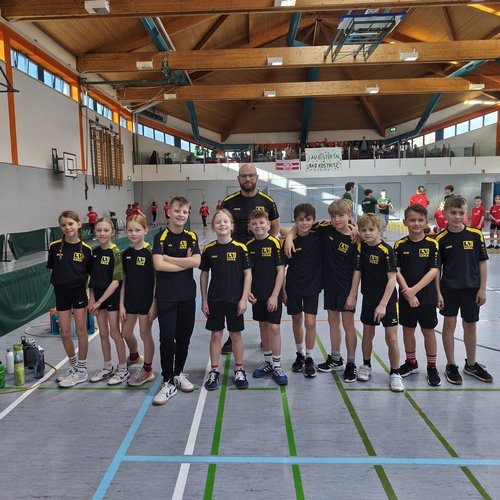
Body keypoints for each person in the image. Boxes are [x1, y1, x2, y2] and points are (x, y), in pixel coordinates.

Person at [221, 163, 279, 354]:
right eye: (244, 176)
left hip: (260, 258)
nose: (248, 179)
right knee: (234, 296)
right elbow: (224, 225)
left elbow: (275, 228)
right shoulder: (229, 202)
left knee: (262, 295)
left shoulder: (268, 201)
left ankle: (266, 338)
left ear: (257, 177)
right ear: (238, 178)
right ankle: (233, 335)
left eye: (251, 175)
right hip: (235, 258)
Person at [435, 196, 492, 384]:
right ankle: (451, 365)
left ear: (466, 213)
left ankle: (471, 363)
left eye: (461, 213)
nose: (457, 217)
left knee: (471, 326)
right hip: (449, 290)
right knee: (449, 326)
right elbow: (437, 269)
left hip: (472, 290)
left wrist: (482, 289)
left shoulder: (475, 235)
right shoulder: (440, 239)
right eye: (453, 213)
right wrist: (438, 292)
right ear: (445, 214)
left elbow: (482, 262)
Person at [152, 197, 201, 405]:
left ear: (188, 214)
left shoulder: (191, 236)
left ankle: (178, 373)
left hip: (187, 295)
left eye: (185, 212)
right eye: (177, 211)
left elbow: (196, 261)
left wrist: (169, 258)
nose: (181, 215)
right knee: (167, 338)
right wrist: (184, 262)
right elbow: (158, 265)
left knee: (183, 338)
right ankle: (167, 381)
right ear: (169, 212)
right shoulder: (160, 236)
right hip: (166, 297)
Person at [199, 209, 252, 391]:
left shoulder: (240, 248)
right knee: (215, 335)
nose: (222, 224)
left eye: (225, 221)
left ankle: (239, 369)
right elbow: (204, 275)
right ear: (213, 226)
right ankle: (214, 370)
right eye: (218, 222)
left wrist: (244, 299)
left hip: (235, 300)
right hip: (215, 300)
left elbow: (248, 274)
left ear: (232, 225)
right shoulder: (209, 249)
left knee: (235, 335)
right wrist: (204, 300)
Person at [352, 213, 404, 392]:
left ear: (380, 230)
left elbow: (392, 279)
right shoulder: (361, 248)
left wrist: (382, 304)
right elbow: (358, 273)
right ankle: (366, 365)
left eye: (371, 229)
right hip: (369, 299)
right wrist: (352, 295)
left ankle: (395, 373)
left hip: (387, 301)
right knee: (367, 334)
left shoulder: (386, 250)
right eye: (363, 230)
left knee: (392, 338)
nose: (367, 233)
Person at [394, 205, 441, 387]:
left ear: (426, 222)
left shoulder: (432, 244)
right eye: (412, 220)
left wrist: (415, 290)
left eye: (420, 220)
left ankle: (432, 366)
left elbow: (434, 271)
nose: (416, 223)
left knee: (428, 331)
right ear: (405, 222)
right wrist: (408, 292)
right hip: (406, 296)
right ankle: (411, 362)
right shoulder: (400, 245)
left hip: (427, 297)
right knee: (408, 329)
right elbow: (397, 271)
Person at [315, 199, 359, 383]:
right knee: (333, 322)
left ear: (349, 215)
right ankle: (336, 358)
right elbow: (300, 226)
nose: (336, 219)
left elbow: (357, 271)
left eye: (341, 215)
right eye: (333, 216)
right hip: (330, 286)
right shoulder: (326, 230)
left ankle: (351, 363)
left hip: (347, 289)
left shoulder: (356, 239)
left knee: (348, 325)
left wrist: (352, 295)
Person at [47, 211, 93, 388]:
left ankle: (82, 370)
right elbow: (53, 268)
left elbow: (89, 274)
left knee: (81, 331)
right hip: (61, 293)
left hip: (79, 293)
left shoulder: (86, 250)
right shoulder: (54, 247)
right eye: (63, 225)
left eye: (71, 224)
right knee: (65, 333)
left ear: (79, 224)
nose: (67, 227)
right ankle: (73, 367)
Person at [247, 209, 287, 386]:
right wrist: (248, 291)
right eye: (254, 223)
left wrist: (275, 295)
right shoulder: (248, 246)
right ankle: (268, 361)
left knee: (275, 328)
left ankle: (277, 365)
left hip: (273, 295)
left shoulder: (275, 243)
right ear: (250, 226)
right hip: (258, 295)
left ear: (269, 225)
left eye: (262, 222)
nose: (258, 226)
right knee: (263, 326)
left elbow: (281, 271)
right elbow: (247, 273)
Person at [283, 203, 323, 378]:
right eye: (301, 219)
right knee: (296, 319)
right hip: (293, 287)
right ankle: (300, 354)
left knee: (311, 323)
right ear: (295, 220)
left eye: (308, 219)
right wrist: (283, 291)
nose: (305, 223)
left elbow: (340, 223)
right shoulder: (289, 243)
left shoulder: (319, 236)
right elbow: (282, 268)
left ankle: (309, 357)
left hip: (312, 287)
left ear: (313, 220)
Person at [88, 217, 129, 385]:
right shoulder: (95, 252)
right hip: (98, 299)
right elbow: (91, 279)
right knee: (103, 333)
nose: (102, 233)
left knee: (114, 333)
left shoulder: (115, 252)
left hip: (111, 298)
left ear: (112, 232)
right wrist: (92, 299)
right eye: (99, 230)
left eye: (106, 230)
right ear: (95, 232)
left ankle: (123, 369)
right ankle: (107, 367)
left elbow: (116, 282)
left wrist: (99, 302)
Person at [120, 215, 156, 386]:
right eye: (130, 230)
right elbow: (124, 281)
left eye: (137, 230)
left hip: (146, 302)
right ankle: (134, 356)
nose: (133, 233)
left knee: (144, 334)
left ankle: (147, 370)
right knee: (126, 333)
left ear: (145, 231)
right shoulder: (125, 254)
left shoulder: (151, 253)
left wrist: (154, 304)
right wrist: (121, 304)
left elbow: (156, 281)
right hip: (129, 301)